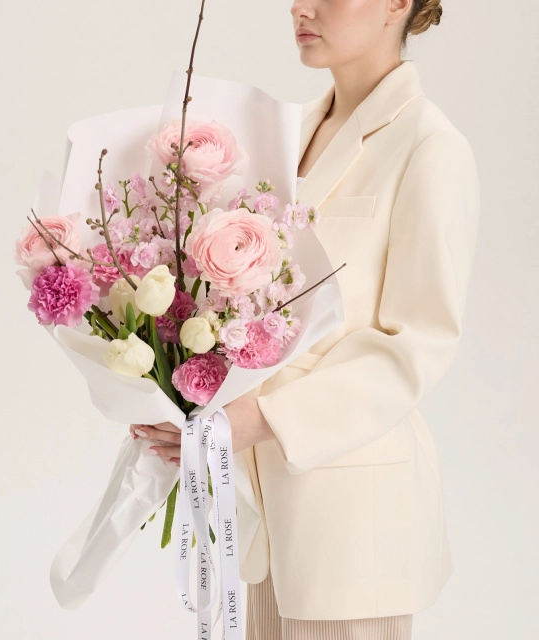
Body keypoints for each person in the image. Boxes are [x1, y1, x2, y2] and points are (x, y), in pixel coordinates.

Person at [130, 0, 480, 638]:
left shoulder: (430, 146)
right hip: (259, 518)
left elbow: (416, 348)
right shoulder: (286, 136)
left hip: (350, 524)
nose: (301, 7)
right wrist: (184, 391)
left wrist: (255, 419)